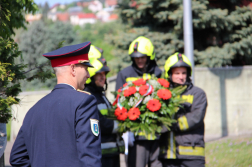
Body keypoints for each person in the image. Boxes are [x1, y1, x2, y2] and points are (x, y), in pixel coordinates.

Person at [10, 42, 102, 167]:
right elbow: (90, 158)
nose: (88, 75)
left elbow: (17, 158)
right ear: (73, 69)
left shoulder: (34, 110)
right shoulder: (84, 102)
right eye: (85, 69)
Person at [116, 36, 162, 167]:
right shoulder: (124, 74)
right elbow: (118, 103)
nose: (139, 60)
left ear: (149, 56)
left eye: (142, 57)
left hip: (155, 134)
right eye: (136, 58)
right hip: (134, 136)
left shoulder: (158, 73)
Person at [159, 52, 208, 167]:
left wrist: (170, 124)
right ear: (169, 74)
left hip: (192, 155)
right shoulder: (161, 94)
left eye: (184, 73)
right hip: (167, 156)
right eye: (177, 73)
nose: (181, 77)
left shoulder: (198, 94)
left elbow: (196, 117)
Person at [84, 45, 124, 167]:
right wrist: (122, 125)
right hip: (103, 155)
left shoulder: (101, 95)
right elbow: (101, 123)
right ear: (91, 77)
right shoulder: (89, 96)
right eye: (99, 74)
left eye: (104, 74)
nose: (103, 77)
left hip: (112, 152)